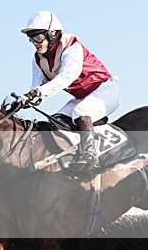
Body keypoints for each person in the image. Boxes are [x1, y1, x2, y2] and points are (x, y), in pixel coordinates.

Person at [19, 10, 120, 174]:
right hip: (84, 97)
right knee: (56, 121)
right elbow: (37, 85)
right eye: (32, 39)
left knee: (81, 111)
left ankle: (90, 155)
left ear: (52, 34)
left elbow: (65, 78)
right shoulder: (38, 59)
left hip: (105, 91)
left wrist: (37, 93)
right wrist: (26, 99)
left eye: (38, 38)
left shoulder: (71, 47)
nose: (35, 43)